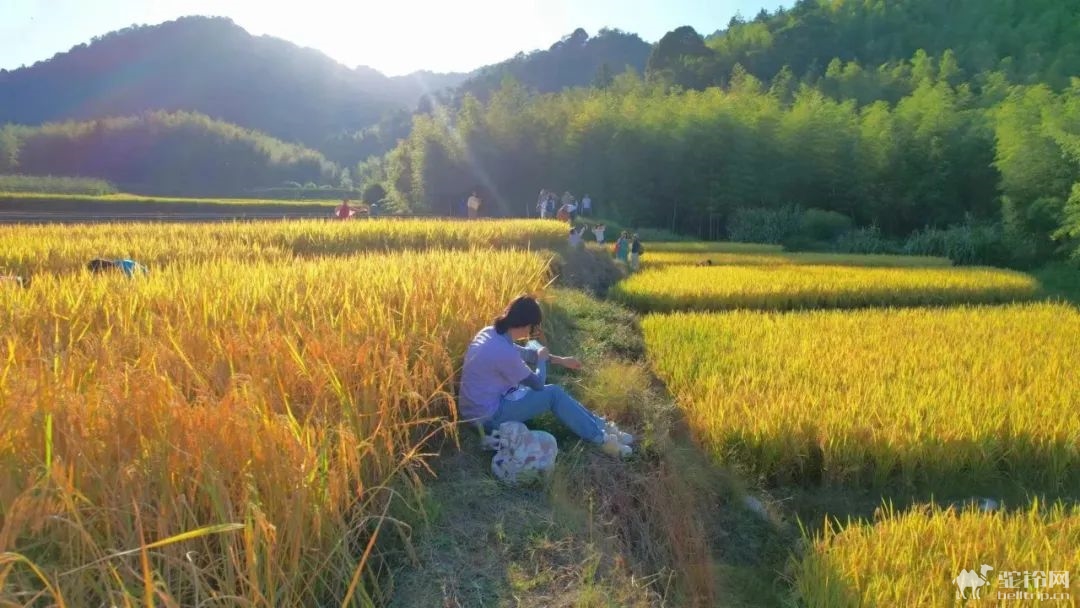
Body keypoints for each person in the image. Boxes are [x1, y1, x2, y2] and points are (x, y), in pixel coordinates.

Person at [460, 296, 633, 458]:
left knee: (547, 391)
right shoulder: (504, 352)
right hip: (488, 418)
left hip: (477, 409)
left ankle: (601, 425)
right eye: (533, 327)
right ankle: (601, 439)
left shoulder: (491, 333)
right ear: (525, 324)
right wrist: (542, 361)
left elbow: (527, 354)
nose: (531, 332)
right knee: (553, 394)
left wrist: (561, 361)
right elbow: (538, 384)